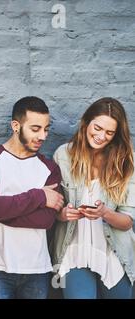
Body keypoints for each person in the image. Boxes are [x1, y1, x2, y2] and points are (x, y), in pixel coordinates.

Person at [0, 96, 64, 299]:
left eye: (46, 129)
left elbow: (46, 220)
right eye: (35, 129)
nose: (42, 136)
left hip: (37, 269)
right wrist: (39, 196)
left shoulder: (49, 169)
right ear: (16, 126)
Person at [52, 97, 135, 299]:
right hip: (73, 251)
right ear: (86, 122)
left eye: (109, 132)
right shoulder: (63, 155)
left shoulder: (126, 161)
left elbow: (127, 222)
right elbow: (52, 210)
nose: (100, 136)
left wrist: (105, 213)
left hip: (115, 253)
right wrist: (63, 214)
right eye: (97, 127)